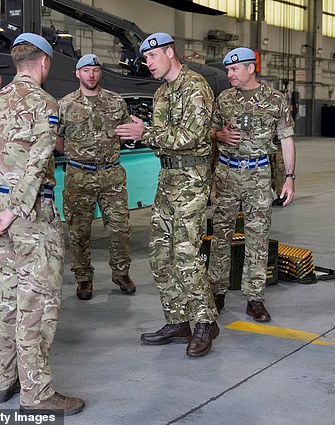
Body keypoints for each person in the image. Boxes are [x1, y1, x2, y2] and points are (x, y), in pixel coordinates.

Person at [0, 33, 84, 414]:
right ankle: (36, 395)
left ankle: (1, 380)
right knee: (36, 305)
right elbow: (40, 160)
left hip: (1, 213)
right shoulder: (45, 103)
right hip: (31, 214)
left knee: (6, 300)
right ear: (44, 63)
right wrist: (14, 209)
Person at [115, 32, 219, 357]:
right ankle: (178, 321)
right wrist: (144, 131)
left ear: (169, 52)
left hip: (191, 177)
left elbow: (190, 136)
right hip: (168, 176)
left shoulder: (196, 87)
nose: (148, 64)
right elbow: (162, 139)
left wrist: (145, 132)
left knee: (186, 253)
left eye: (152, 57)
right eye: (145, 59)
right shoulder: (160, 94)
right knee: (160, 254)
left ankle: (205, 322)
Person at [206, 47, 296, 322]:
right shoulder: (224, 98)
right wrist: (220, 134)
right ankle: (217, 291)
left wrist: (290, 177)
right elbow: (209, 130)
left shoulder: (275, 99)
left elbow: (287, 140)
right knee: (220, 235)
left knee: (257, 238)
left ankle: (255, 298)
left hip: (258, 175)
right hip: (227, 175)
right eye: (228, 70)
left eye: (234, 69)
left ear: (250, 68)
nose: (229, 74)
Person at [57, 53, 136, 300]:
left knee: (120, 228)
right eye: (86, 70)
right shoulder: (65, 105)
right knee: (79, 230)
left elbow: (126, 131)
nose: (91, 75)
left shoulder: (116, 102)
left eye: (95, 70)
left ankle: (121, 273)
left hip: (111, 174)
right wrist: (73, 154)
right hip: (79, 176)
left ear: (100, 73)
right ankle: (83, 278)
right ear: (77, 74)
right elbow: (56, 137)